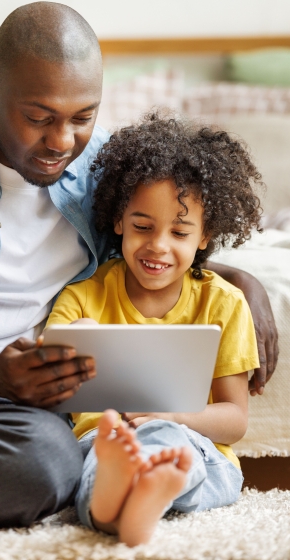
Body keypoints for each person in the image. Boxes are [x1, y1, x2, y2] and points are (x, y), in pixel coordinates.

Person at [0, 1, 278, 551]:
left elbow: (152, 241)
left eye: (82, 117)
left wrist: (240, 279)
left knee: (53, 458)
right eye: (40, 117)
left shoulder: (101, 169)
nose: (62, 141)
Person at [46, 113, 262, 546]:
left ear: (205, 236)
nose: (158, 246)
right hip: (104, 441)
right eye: (142, 226)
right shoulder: (81, 297)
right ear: (118, 220)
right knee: (97, 460)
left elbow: (235, 420)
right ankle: (127, 499)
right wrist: (78, 345)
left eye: (179, 232)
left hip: (196, 448)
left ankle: (144, 487)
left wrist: (173, 418)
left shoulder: (223, 303)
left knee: (167, 442)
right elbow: (49, 381)